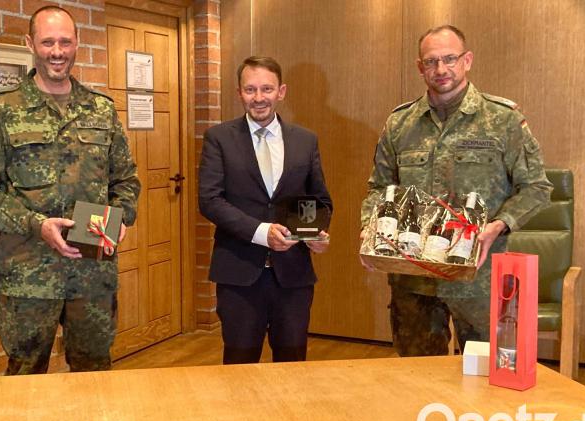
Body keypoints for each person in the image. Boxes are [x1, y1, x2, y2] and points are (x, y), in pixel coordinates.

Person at [0, 6, 140, 374]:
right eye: (47, 42)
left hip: (92, 269)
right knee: (25, 376)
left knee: (95, 373)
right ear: (30, 44)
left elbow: (126, 179)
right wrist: (36, 224)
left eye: (64, 42)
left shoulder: (101, 110)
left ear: (77, 44)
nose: (57, 51)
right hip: (28, 275)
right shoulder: (0, 111)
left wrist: (123, 216)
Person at [360, 25, 552, 356]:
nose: (441, 69)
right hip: (414, 278)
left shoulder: (502, 120)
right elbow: (380, 188)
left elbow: (536, 187)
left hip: (479, 277)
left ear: (467, 60)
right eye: (431, 61)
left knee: (484, 379)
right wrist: (369, 227)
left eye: (450, 59)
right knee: (416, 378)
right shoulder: (400, 124)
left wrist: (499, 224)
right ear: (420, 67)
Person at [199, 56, 333, 364]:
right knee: (239, 365)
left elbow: (320, 200)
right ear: (239, 93)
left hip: (294, 276)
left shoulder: (305, 140)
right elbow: (210, 200)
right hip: (239, 274)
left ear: (281, 91)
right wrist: (261, 233)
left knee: (292, 363)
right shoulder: (218, 139)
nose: (259, 98)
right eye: (250, 89)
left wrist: (317, 234)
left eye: (267, 89)